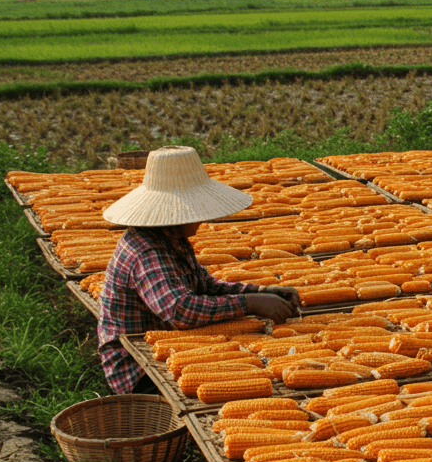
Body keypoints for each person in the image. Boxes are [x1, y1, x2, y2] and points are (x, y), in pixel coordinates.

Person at [97, 146, 300, 395]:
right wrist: (249, 303)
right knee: (238, 380)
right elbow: (180, 310)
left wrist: (263, 291)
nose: (202, 219)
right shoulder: (147, 251)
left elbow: (206, 286)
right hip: (139, 367)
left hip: (169, 342)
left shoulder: (172, 237)